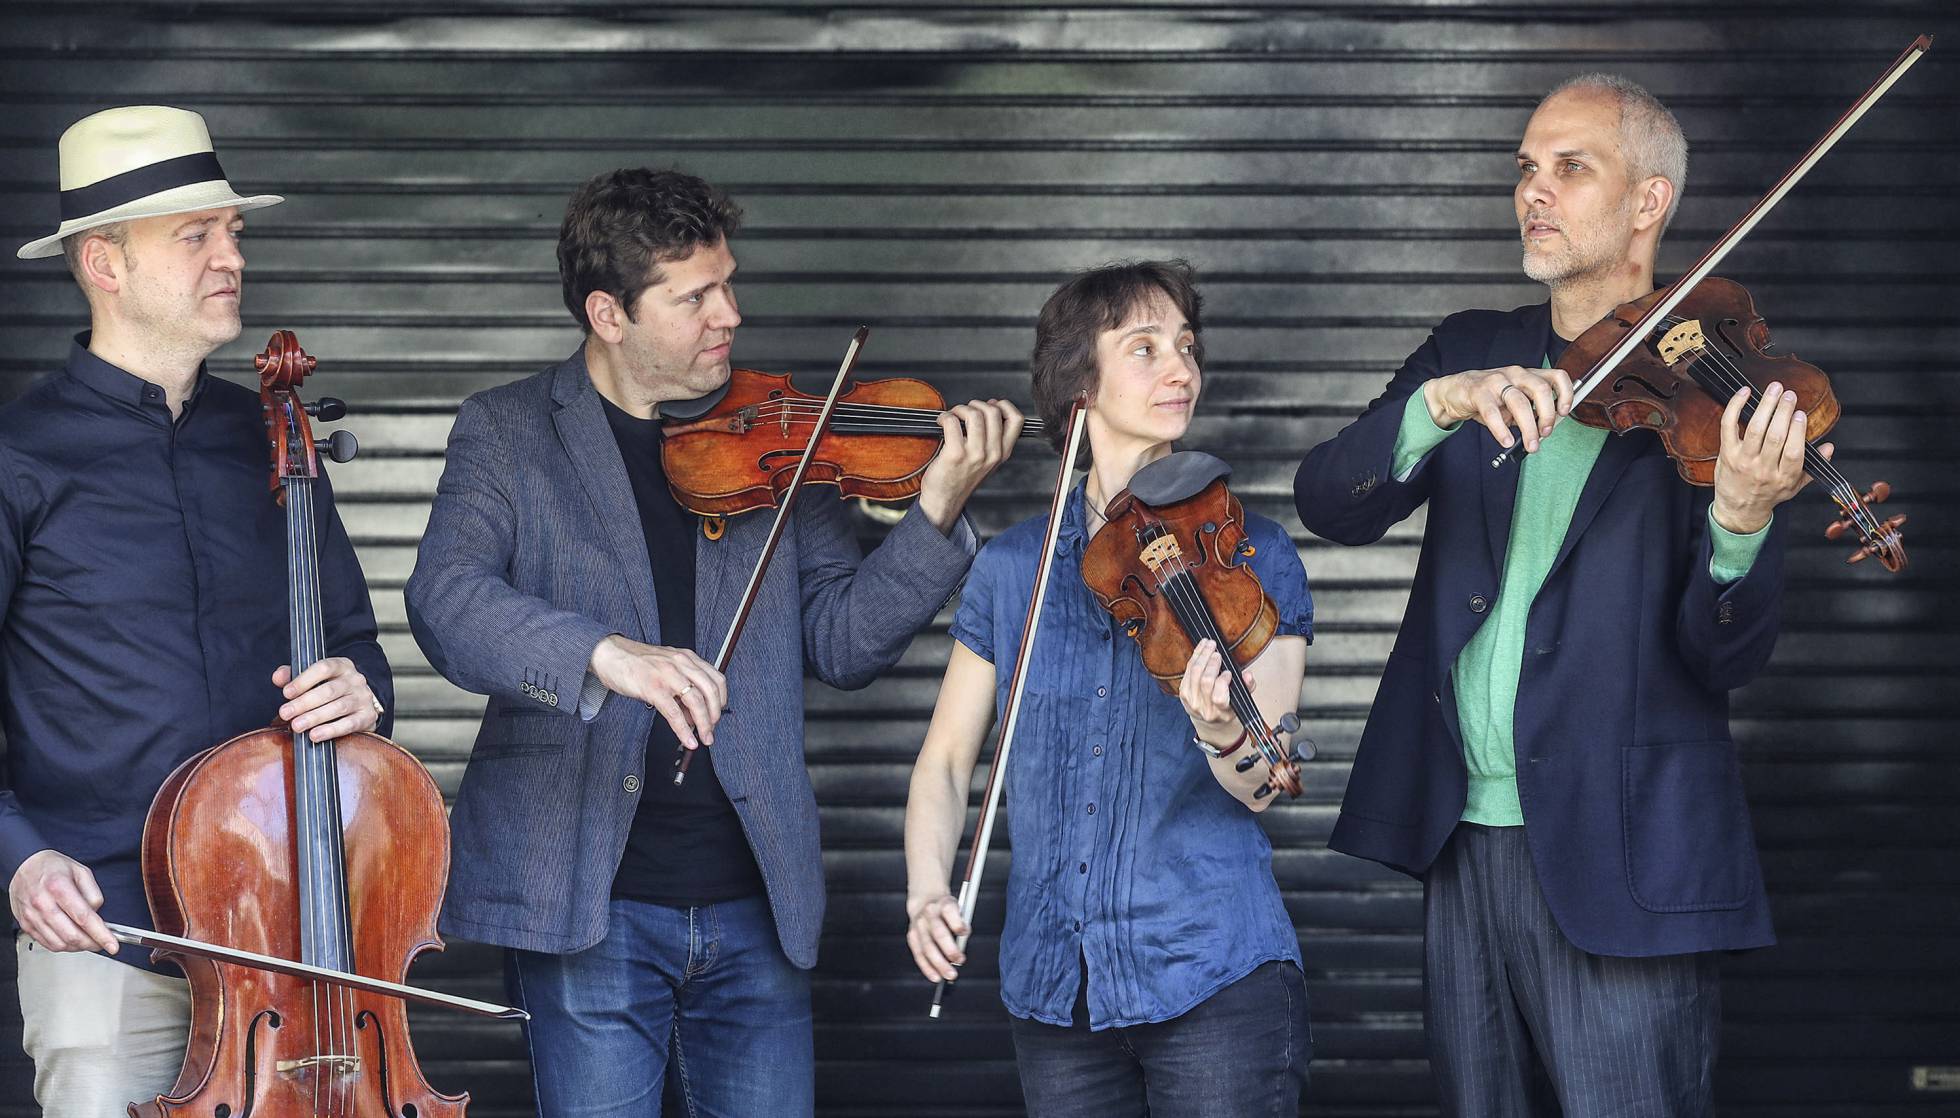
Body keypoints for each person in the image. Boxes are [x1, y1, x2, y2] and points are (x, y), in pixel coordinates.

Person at [404, 166, 1021, 1117]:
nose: (730, 314)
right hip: (586, 898)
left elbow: (843, 643)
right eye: (695, 297)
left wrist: (934, 513)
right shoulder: (510, 431)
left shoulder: (779, 435)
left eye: (728, 284)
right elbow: (446, 600)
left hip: (753, 899)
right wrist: (604, 654)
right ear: (609, 314)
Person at [1293, 74, 1819, 1115]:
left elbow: (1724, 656)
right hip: (1458, 834)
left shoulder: (1719, 397)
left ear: (1648, 201)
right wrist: (1439, 403)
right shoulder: (1468, 351)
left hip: (1629, 855)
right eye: (1526, 168)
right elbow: (1328, 502)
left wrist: (1742, 521)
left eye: (1570, 168)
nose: (1533, 190)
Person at [2, 105, 391, 1114]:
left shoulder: (272, 436)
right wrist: (19, 858)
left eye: (233, 231)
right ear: (105, 262)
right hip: (109, 941)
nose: (232, 256)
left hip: (296, 941)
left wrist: (363, 694)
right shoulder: (19, 455)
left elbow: (354, 641)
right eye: (196, 235)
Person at [905, 260, 1313, 1116]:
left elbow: (1263, 780)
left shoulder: (1248, 555)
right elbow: (944, 762)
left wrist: (1219, 729)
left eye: (1187, 346)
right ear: (1078, 383)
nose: (1181, 368)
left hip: (1213, 977)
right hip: (1057, 991)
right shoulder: (1013, 567)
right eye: (1145, 348)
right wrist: (928, 890)